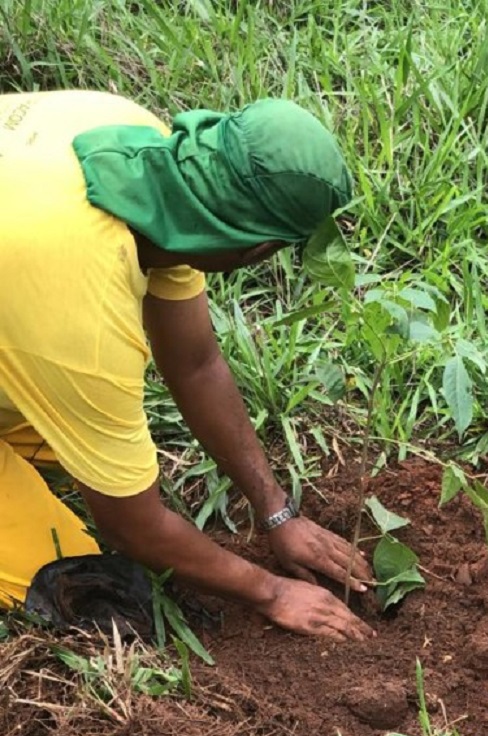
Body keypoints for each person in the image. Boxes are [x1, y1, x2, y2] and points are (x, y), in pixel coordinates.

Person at [0, 89, 375, 641]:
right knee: (91, 589)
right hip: (36, 296)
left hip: (22, 304)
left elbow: (196, 362)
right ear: (256, 251)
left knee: (103, 456)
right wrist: (271, 591)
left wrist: (277, 511)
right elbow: (133, 527)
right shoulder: (78, 300)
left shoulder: (150, 152)